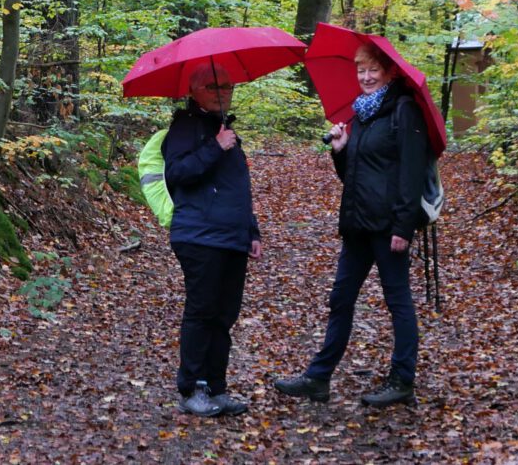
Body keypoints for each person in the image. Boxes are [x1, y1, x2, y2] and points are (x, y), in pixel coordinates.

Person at [274, 43, 428, 407]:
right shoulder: (362, 114)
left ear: (390, 72)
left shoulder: (403, 111)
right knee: (340, 298)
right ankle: (318, 377)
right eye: (361, 70)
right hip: (358, 224)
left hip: (388, 227)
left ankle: (403, 379)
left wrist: (403, 228)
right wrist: (341, 150)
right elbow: (354, 176)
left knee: (398, 302)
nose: (366, 76)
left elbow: (411, 173)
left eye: (373, 69)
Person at [162, 62, 262, 417]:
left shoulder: (225, 130)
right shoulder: (185, 126)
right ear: (194, 91)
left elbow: (237, 189)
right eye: (215, 86)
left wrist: (252, 231)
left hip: (230, 236)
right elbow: (177, 173)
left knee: (224, 315)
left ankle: (216, 387)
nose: (223, 92)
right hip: (199, 235)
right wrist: (215, 147)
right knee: (203, 311)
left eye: (228, 87)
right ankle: (191, 388)